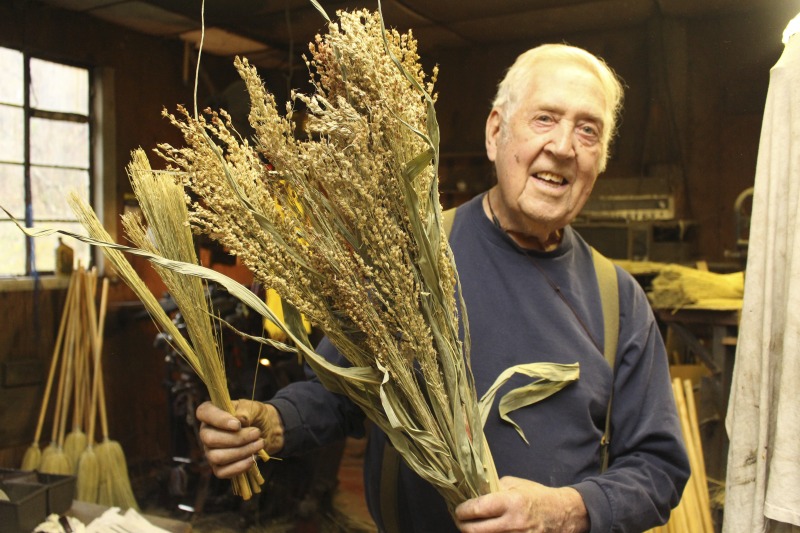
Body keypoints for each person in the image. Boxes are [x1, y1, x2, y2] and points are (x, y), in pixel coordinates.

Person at [196, 43, 690, 532]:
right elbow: (342, 393)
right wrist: (273, 422)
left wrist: (564, 511)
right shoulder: (411, 255)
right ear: (496, 133)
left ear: (600, 159)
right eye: (545, 119)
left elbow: (658, 468)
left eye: (588, 130)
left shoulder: (617, 298)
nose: (563, 147)